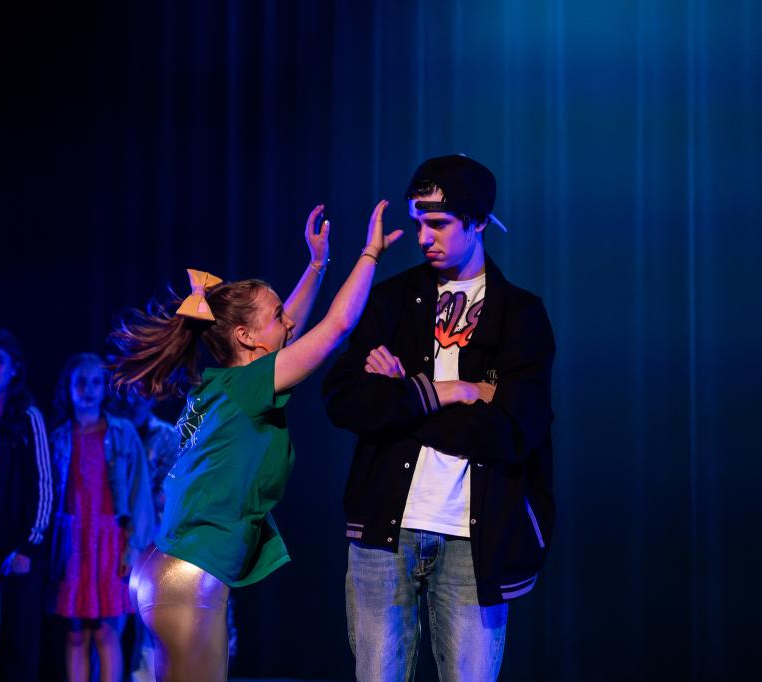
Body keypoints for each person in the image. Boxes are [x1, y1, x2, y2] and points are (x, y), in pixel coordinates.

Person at [109, 200, 400, 681]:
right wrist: (370, 254)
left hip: (165, 571)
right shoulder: (247, 388)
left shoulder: (220, 386)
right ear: (244, 336)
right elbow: (335, 328)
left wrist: (317, 265)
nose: (289, 322)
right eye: (278, 314)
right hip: (187, 576)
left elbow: (285, 333)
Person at [322, 155, 557, 681]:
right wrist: (453, 393)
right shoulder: (391, 301)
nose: (424, 237)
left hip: (475, 540)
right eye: (418, 223)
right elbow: (341, 398)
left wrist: (404, 395)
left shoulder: (521, 316)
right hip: (385, 530)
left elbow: (514, 433)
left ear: (478, 221)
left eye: (439, 223)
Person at [50, 352, 154, 682]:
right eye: (81, 382)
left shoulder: (122, 433)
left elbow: (139, 494)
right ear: (68, 387)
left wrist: (133, 547)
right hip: (73, 544)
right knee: (75, 634)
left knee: (106, 632)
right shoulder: (60, 437)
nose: (88, 390)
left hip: (110, 541)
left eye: (96, 382)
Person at [0, 328, 53, 682]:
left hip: (16, 551)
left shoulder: (28, 417)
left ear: (15, 367)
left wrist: (28, 547)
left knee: (18, 648)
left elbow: (44, 486)